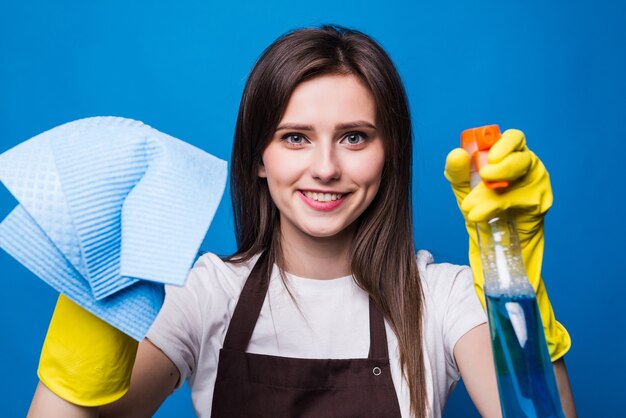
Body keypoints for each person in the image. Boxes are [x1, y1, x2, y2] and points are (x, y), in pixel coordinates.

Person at [27, 25, 576, 418]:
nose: (326, 168)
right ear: (258, 158)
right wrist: (91, 292)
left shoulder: (441, 298)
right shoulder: (205, 293)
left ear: (390, 155)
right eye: (295, 138)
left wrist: (513, 275)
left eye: (354, 137)